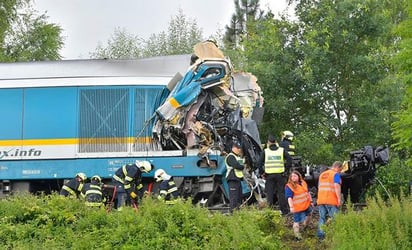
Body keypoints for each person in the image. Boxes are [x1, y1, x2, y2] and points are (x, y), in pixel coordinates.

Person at [259, 135, 292, 214]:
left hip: (269, 175)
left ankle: (269, 211)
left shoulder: (265, 151)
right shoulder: (282, 150)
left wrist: (262, 173)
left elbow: (259, 163)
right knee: (281, 193)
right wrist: (286, 170)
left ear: (268, 142)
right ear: (276, 142)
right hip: (280, 175)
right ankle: (284, 211)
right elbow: (289, 160)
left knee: (269, 193)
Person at [316, 161, 344, 240]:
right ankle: (336, 235)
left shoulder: (322, 174)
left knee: (322, 218)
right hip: (331, 200)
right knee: (336, 218)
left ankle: (321, 236)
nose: (340, 171)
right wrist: (339, 199)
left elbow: (319, 187)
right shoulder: (335, 174)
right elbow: (336, 186)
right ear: (338, 167)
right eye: (340, 169)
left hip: (321, 200)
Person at [285, 170, 313, 241]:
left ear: (298, 176)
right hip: (297, 207)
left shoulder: (303, 182)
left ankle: (305, 226)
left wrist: (311, 201)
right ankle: (297, 236)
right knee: (296, 221)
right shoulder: (290, 186)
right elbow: (289, 198)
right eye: (292, 176)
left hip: (306, 204)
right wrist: (291, 207)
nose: (293, 177)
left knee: (310, 214)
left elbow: (307, 192)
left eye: (295, 176)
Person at [225, 141, 245, 212]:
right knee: (233, 197)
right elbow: (237, 166)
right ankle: (233, 213)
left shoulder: (237, 157)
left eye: (240, 148)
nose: (239, 150)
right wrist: (241, 166)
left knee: (239, 197)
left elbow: (241, 166)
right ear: (233, 148)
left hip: (238, 179)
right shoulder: (230, 157)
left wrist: (241, 166)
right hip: (232, 178)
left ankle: (237, 212)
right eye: (238, 148)